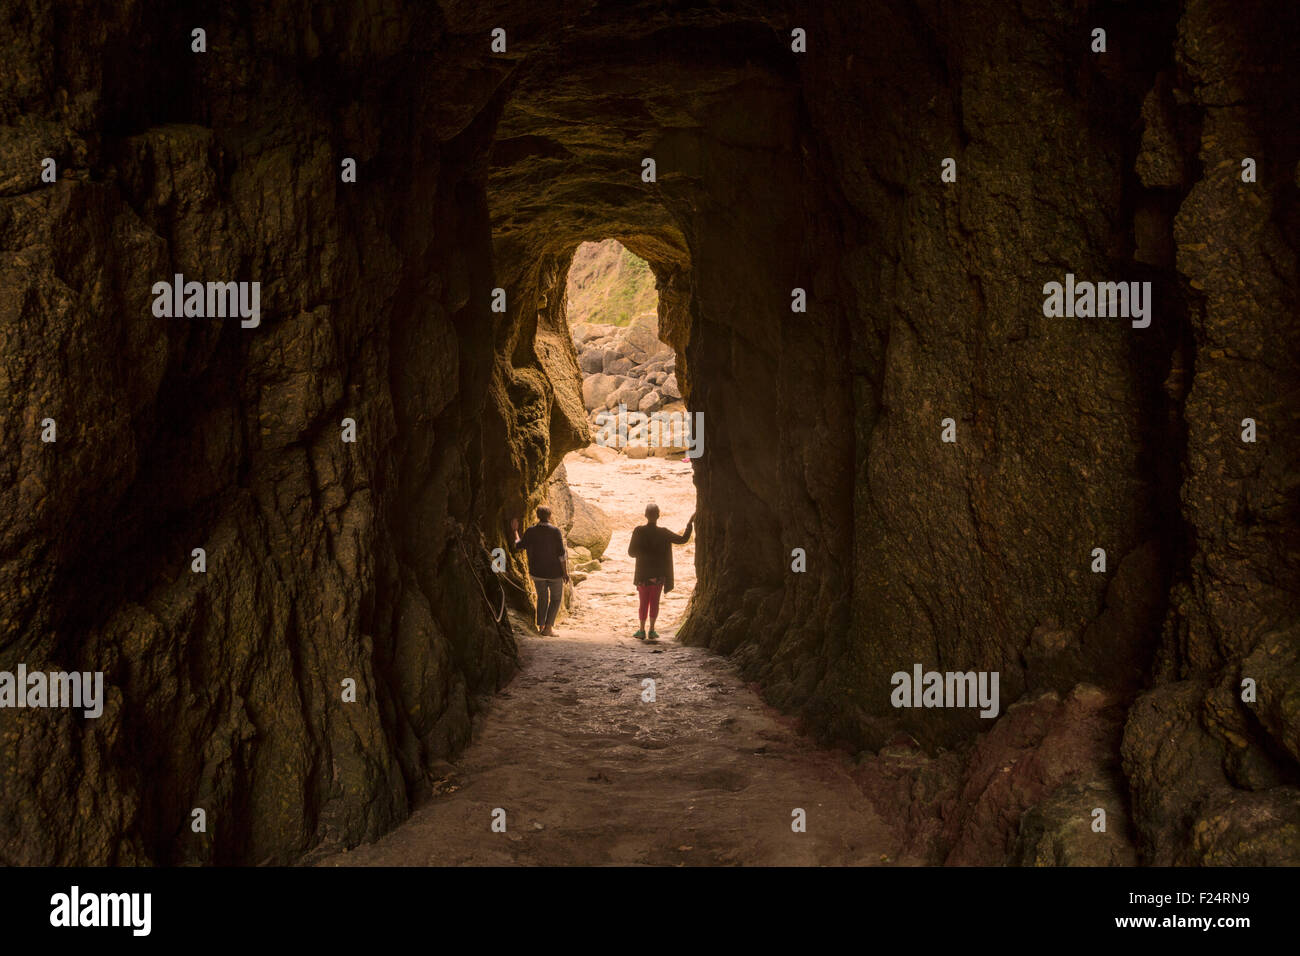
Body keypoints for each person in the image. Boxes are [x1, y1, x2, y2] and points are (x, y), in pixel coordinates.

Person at [627, 503, 693, 641]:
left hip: (643, 575)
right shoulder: (663, 532)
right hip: (658, 575)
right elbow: (683, 539)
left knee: (643, 602)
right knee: (654, 602)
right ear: (658, 515)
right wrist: (689, 524)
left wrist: (644, 553)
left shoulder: (638, 531)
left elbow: (631, 553)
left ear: (645, 515)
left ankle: (641, 630)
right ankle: (651, 630)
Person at [511, 506, 568, 636]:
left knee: (542, 598)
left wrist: (515, 531)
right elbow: (561, 554)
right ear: (549, 516)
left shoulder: (531, 531)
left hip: (537, 572)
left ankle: (541, 626)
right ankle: (548, 628)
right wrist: (565, 573)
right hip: (554, 572)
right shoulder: (555, 531)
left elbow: (519, 545)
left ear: (538, 516)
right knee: (555, 599)